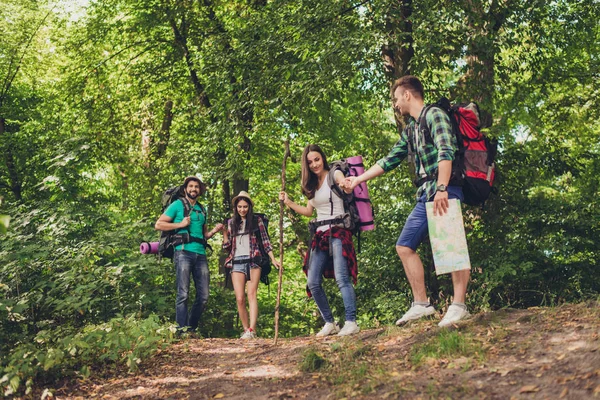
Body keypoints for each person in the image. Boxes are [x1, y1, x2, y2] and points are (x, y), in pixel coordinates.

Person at [344, 75, 470, 328]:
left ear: (407, 95)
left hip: (444, 188)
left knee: (451, 248)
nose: (395, 104)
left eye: (395, 99)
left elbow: (447, 151)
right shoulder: (412, 128)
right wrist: (357, 181)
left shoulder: (434, 115)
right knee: (404, 246)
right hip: (425, 193)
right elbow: (390, 159)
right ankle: (421, 304)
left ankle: (459, 306)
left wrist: (443, 188)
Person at [279, 144, 360, 337]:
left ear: (322, 158)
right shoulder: (312, 185)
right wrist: (288, 202)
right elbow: (309, 212)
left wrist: (345, 184)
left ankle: (351, 321)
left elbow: (344, 182)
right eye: (310, 162)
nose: (315, 164)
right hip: (320, 234)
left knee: (342, 278)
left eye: (317, 159)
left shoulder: (334, 173)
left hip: (339, 230)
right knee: (313, 281)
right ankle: (330, 323)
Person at [155, 176, 224, 333]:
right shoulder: (177, 205)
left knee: (204, 296)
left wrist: (214, 231)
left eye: (197, 187)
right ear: (185, 189)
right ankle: (181, 331)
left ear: (200, 191)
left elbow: (204, 235)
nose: (194, 189)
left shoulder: (202, 209)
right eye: (191, 186)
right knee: (183, 293)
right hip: (183, 252)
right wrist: (180, 224)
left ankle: (190, 328)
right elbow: (158, 224)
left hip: (200, 254)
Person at [222, 191, 280, 339]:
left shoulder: (257, 221)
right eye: (240, 207)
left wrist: (273, 259)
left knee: (252, 294)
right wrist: (224, 234)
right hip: (236, 262)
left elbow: (266, 241)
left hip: (254, 260)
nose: (242, 209)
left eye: (245, 206)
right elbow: (228, 247)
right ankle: (245, 329)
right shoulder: (231, 223)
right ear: (236, 207)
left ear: (249, 207)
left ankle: (252, 329)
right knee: (240, 298)